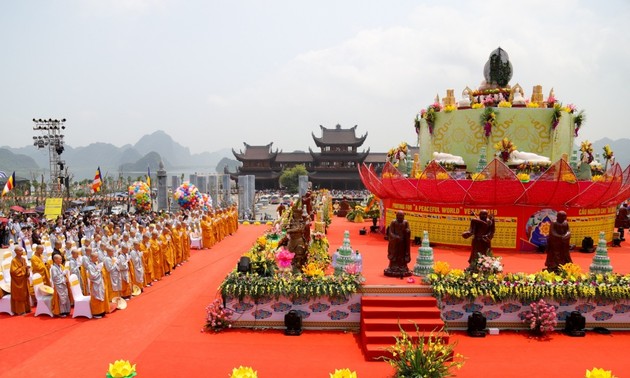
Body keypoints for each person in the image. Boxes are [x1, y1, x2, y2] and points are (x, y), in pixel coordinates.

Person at [384, 211, 412, 277]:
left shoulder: (405, 222)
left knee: (402, 255)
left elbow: (408, 230)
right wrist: (395, 237)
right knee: (395, 254)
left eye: (402, 216)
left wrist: (408, 231)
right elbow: (390, 232)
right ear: (396, 216)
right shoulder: (393, 222)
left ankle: (402, 267)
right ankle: (393, 266)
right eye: (399, 216)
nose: (400, 218)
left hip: (402, 242)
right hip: (395, 243)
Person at [87, 251, 109, 318]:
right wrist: (99, 271)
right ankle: (96, 313)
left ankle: (102, 311)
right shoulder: (90, 266)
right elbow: (92, 276)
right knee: (96, 298)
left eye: (97, 257)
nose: (97, 259)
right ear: (91, 258)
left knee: (101, 295)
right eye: (96, 257)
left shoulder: (95, 264)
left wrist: (99, 270)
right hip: (95, 283)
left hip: (99, 282)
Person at [10, 246, 31, 315]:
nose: (22, 252)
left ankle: (27, 308)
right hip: (17, 282)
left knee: (25, 294)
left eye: (22, 250)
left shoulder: (23, 259)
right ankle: (20, 311)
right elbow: (14, 272)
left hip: (24, 280)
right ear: (16, 252)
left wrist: (27, 270)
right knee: (19, 295)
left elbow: (25, 268)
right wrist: (24, 268)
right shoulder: (14, 261)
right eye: (20, 251)